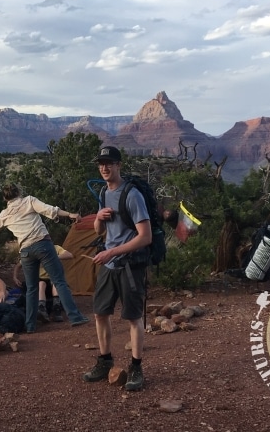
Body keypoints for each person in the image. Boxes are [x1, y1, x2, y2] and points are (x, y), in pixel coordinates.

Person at [83, 146, 152, 391]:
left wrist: (111, 252)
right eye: (101, 163)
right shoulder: (104, 191)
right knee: (101, 313)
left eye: (109, 163)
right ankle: (105, 361)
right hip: (108, 264)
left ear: (119, 165)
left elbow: (145, 237)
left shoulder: (132, 195)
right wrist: (98, 219)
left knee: (133, 318)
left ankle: (136, 367)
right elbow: (100, 232)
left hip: (130, 265)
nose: (104, 168)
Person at [0, 183, 89, 333]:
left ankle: (30, 325)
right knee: (59, 281)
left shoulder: (4, 214)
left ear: (5, 198)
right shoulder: (29, 201)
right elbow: (50, 210)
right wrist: (70, 214)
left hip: (25, 252)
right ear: (19, 192)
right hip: (42, 244)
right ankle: (75, 317)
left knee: (31, 288)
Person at [12, 245, 75, 322]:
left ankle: (57, 309)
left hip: (53, 279)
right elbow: (19, 265)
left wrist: (52, 258)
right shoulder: (34, 251)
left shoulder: (54, 248)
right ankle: (42, 309)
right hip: (40, 280)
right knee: (41, 284)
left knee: (55, 283)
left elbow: (69, 255)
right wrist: (15, 277)